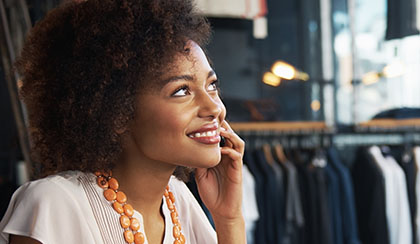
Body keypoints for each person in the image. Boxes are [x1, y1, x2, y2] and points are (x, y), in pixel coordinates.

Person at [0, 0, 246, 243]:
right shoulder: (53, 207)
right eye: (181, 91)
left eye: (212, 85)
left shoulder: (179, 201)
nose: (215, 107)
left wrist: (229, 219)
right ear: (118, 112)